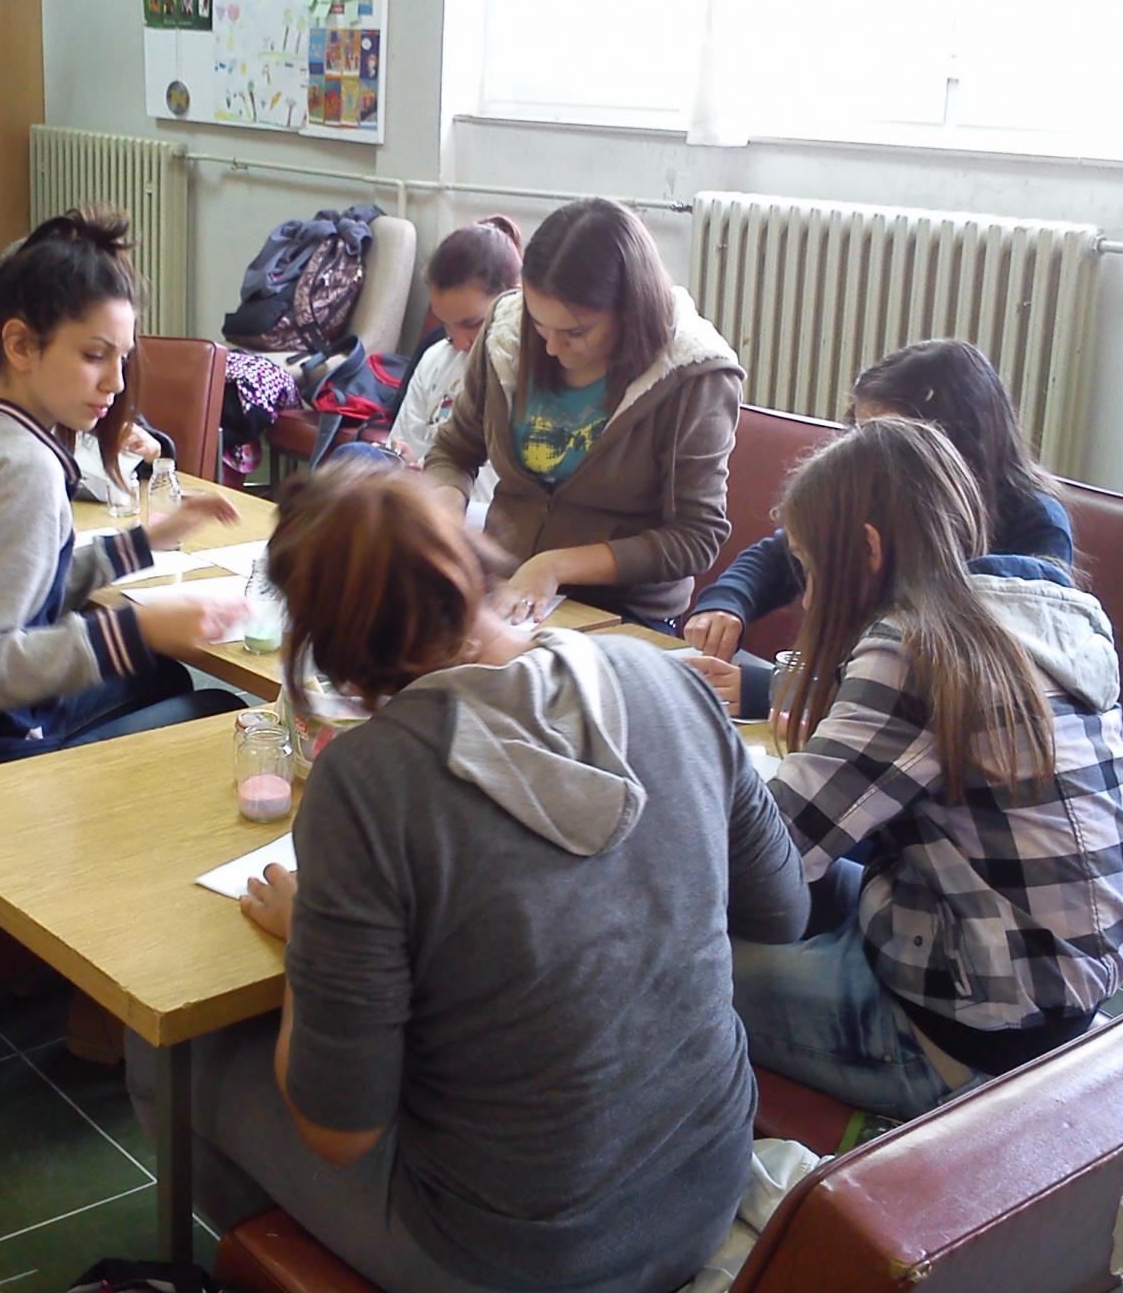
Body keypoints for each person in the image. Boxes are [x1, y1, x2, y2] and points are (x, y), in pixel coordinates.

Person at [127, 461, 809, 1293]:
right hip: (707, 1182)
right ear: (476, 566)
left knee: (166, 1054)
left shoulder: (370, 781)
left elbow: (339, 1130)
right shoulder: (667, 677)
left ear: (329, 651)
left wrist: (312, 941)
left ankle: (283, 1264)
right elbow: (783, 910)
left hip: (531, 1259)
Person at [732, 418, 1123, 1121]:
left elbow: (773, 852)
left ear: (868, 548)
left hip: (965, 1033)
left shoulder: (913, 648)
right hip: (1049, 985)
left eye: (809, 569)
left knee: (653, 968)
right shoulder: (1058, 616)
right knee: (796, 893)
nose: (807, 598)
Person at [0, 211, 246, 802]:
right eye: (95, 355)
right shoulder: (22, 466)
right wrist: (135, 627)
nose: (116, 383)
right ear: (19, 344)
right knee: (217, 709)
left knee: (159, 675)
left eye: (123, 358)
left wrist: (146, 542)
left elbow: (13, 583)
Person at [682, 338, 1075, 718]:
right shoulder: (877, 496)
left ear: (941, 447)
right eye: (858, 432)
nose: (862, 451)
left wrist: (774, 689)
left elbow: (961, 686)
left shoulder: (1034, 523)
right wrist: (728, 602)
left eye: (881, 437)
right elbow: (780, 556)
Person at [421, 196, 741, 632]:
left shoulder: (693, 374)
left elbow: (695, 537)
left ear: (630, 311)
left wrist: (556, 566)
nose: (552, 347)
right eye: (539, 324)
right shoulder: (505, 333)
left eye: (575, 332)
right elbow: (454, 452)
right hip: (507, 587)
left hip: (624, 612)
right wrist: (443, 520)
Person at [346, 215, 522, 516]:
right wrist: (405, 466)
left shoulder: (529, 373)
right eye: (446, 325)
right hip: (430, 511)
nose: (459, 340)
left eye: (472, 324)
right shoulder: (437, 357)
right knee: (355, 460)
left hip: (490, 519)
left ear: (515, 298)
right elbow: (411, 447)